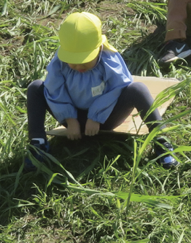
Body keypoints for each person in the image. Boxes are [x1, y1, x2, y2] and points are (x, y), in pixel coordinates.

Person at [24, 12, 177, 171]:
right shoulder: (59, 62)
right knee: (36, 87)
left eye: (84, 59)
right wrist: (70, 119)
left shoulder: (108, 58)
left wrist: (96, 116)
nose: (78, 66)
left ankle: (161, 141)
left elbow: (118, 87)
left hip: (106, 118)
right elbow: (54, 90)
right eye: (73, 61)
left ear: (99, 48)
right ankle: (38, 144)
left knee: (137, 88)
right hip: (72, 118)